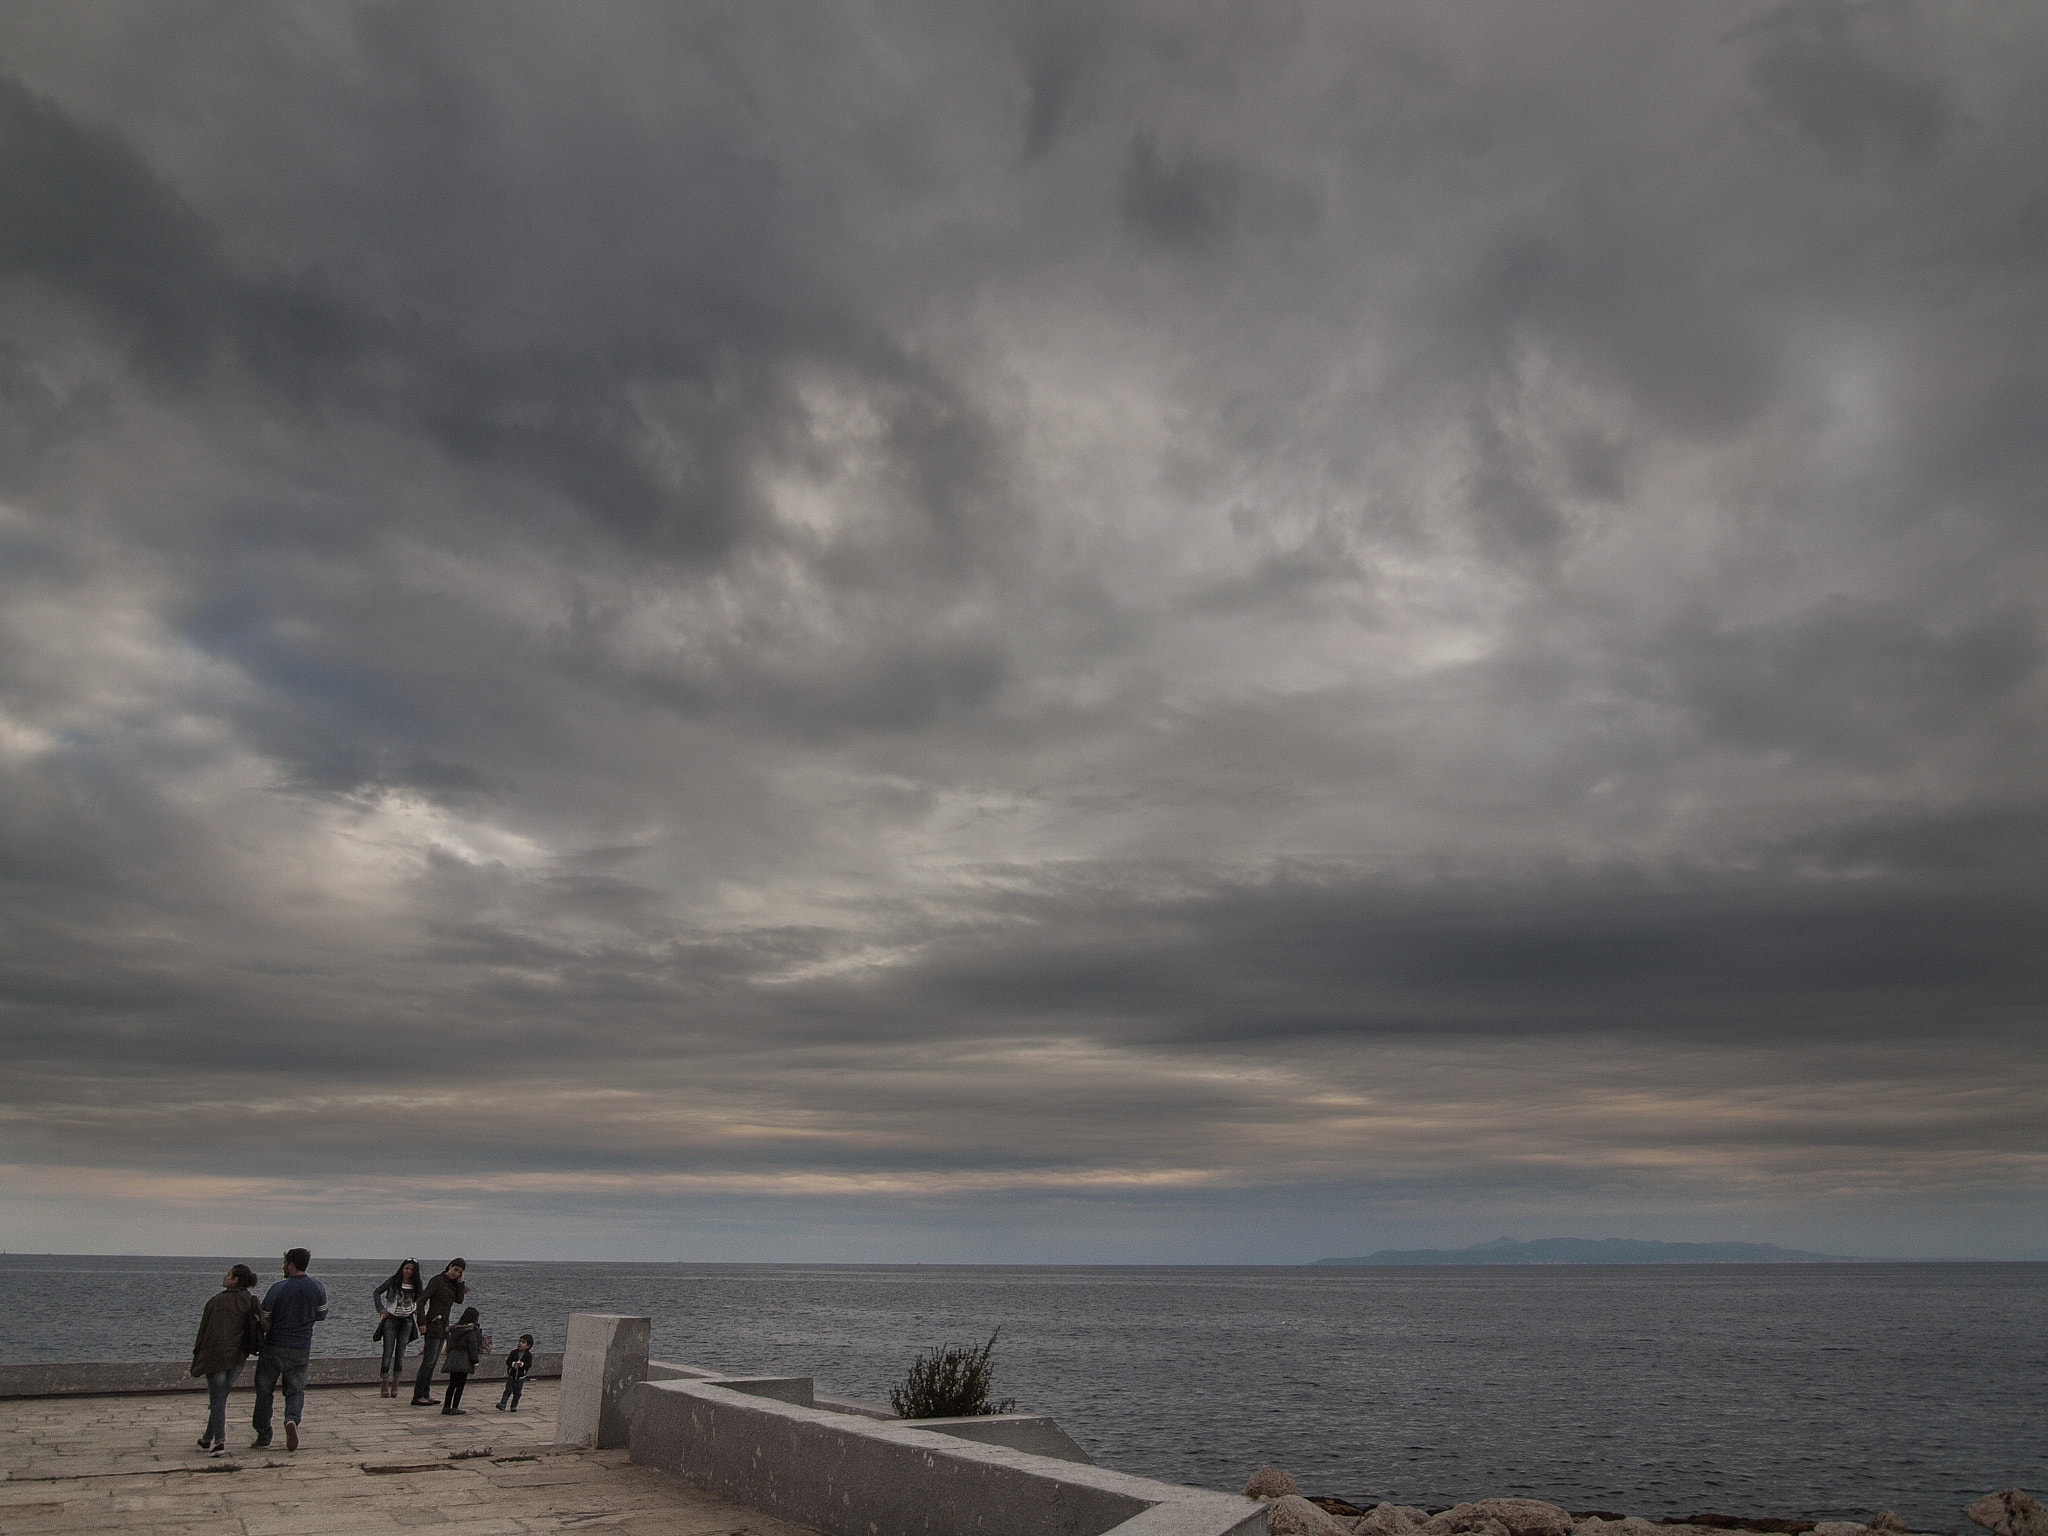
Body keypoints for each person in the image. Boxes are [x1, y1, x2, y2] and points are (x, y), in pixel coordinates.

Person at [251, 1247, 327, 1452]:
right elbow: (321, 1315)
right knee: (295, 1389)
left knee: (264, 1390)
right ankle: (291, 1420)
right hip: (300, 1347)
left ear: (292, 1265)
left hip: (274, 1345)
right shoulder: (318, 1287)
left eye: (285, 1263)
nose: (283, 1267)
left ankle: (263, 1434)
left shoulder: (278, 1288)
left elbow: (264, 1315)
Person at [189, 1264, 262, 1455]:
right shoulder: (250, 1301)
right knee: (220, 1396)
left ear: (235, 1280)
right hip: (238, 1358)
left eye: (228, 1275)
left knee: (217, 1398)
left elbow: (202, 1333)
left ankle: (219, 1441)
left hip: (215, 1358)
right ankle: (207, 1438)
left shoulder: (215, 1302)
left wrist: (197, 1357)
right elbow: (263, 1325)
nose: (225, 1277)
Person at [410, 1257, 467, 1406]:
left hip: (443, 1327)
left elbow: (459, 1300)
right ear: (449, 1266)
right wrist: (421, 1322)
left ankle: (426, 1393)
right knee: (427, 1362)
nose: (456, 1273)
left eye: (459, 1272)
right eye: (455, 1270)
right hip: (433, 1324)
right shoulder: (437, 1280)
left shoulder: (453, 1285)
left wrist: (460, 1283)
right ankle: (418, 1395)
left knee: (433, 1362)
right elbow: (421, 1301)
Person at [371, 1259, 423, 1398]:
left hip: (407, 1321)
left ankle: (395, 1383)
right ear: (402, 1268)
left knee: (400, 1352)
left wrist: (417, 1309)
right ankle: (384, 1382)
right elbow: (377, 1292)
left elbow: (421, 1298)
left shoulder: (416, 1284)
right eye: (406, 1268)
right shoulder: (393, 1281)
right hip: (391, 1319)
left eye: (411, 1270)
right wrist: (381, 1309)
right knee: (387, 1351)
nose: (408, 1272)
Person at [440, 1306, 485, 1415]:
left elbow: (449, 1345)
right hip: (464, 1358)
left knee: (451, 1384)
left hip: (453, 1357)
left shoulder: (456, 1329)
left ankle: (446, 1407)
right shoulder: (471, 1331)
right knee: (460, 1385)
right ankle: (455, 1407)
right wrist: (475, 1361)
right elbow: (473, 1346)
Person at [495, 1333, 534, 1412]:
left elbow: (528, 1365)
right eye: (519, 1341)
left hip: (520, 1377)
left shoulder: (528, 1355)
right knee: (507, 1390)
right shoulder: (513, 1353)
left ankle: (513, 1406)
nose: (520, 1343)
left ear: (528, 1346)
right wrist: (513, 1364)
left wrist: (522, 1365)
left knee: (517, 1393)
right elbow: (508, 1361)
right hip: (511, 1376)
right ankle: (503, 1404)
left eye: (523, 1342)